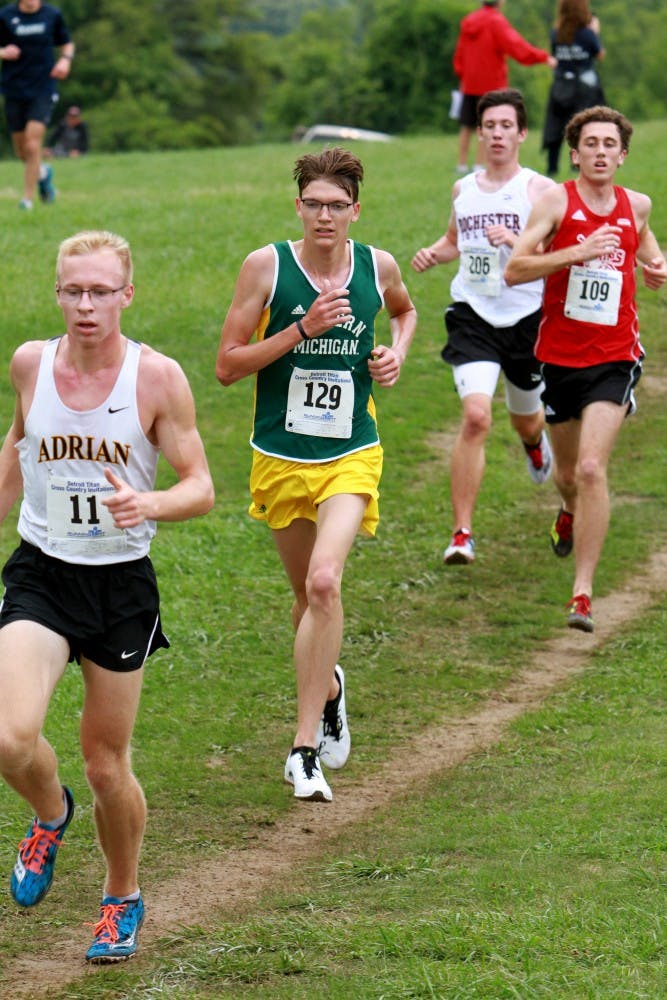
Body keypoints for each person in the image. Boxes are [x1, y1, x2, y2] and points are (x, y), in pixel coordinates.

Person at [0, 231, 214, 962]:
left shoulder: (157, 379)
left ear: (128, 294)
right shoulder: (30, 364)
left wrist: (149, 506)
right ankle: (48, 813)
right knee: (7, 735)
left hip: (119, 585)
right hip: (42, 572)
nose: (85, 305)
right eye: (73, 290)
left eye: (100, 291)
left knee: (105, 764)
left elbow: (199, 486)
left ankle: (121, 895)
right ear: (57, 292)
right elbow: (16, 451)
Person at [216, 147, 416, 803]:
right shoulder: (266, 267)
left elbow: (404, 310)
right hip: (279, 453)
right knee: (306, 597)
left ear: (355, 211)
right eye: (313, 204)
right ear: (296, 206)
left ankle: (302, 750)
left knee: (326, 582)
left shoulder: (374, 264)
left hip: (351, 451)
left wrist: (394, 355)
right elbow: (227, 364)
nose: (324, 216)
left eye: (336, 206)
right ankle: (329, 690)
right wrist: (301, 328)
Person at [505, 106, 666, 631]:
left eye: (609, 144)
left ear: (622, 154)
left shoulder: (636, 205)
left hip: (615, 356)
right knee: (569, 474)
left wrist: (656, 270)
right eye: (590, 144)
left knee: (594, 469)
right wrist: (575, 253)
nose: (600, 152)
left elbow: (650, 258)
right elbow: (516, 268)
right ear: (574, 154)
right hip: (558, 357)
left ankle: (582, 593)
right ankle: (569, 510)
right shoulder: (557, 202)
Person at [412, 89, 555, 566]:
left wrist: (515, 241)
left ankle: (535, 444)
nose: (496, 134)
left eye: (505, 126)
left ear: (521, 133)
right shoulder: (464, 190)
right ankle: (461, 533)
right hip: (473, 313)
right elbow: (456, 240)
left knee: (525, 418)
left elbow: (556, 258)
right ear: (479, 132)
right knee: (476, 417)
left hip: (526, 318)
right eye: (489, 125)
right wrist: (435, 253)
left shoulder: (540, 191)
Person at [453, 0, 555, 175]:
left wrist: (464, 75)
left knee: (467, 124)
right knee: (489, 123)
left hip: (469, 83)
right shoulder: (496, 21)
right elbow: (517, 47)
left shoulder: (469, 21)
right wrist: (543, 57)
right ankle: (479, 165)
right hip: (492, 84)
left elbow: (459, 55)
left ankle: (461, 165)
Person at [0, 0, 73, 210]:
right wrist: (3, 52)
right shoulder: (6, 16)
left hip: (43, 88)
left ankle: (27, 200)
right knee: (22, 151)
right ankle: (43, 173)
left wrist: (65, 59)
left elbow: (66, 43)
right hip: (14, 89)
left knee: (33, 145)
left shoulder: (52, 14)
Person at [542, 0, 605, 177]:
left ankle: (552, 166)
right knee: (583, 126)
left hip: (561, 85)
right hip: (584, 87)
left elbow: (555, 57)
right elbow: (599, 55)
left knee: (556, 125)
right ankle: (576, 164)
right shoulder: (587, 33)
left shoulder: (557, 33)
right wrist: (595, 32)